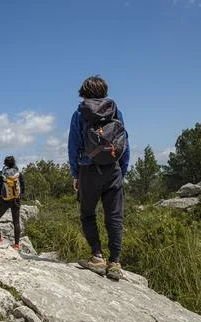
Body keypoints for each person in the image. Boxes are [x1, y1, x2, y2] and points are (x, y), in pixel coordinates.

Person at [67, 75, 130, 281]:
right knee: (114, 217)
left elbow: (73, 146)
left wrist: (76, 174)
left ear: (83, 92)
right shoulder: (115, 111)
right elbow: (124, 143)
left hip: (88, 170)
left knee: (87, 214)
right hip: (113, 170)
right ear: (104, 92)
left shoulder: (79, 113)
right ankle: (115, 262)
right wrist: (122, 171)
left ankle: (97, 256)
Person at [0, 156, 25, 251]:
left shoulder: (2, 174)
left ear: (5, 164)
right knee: (16, 222)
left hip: (5, 200)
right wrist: (19, 195)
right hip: (16, 199)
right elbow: (23, 186)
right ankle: (16, 245)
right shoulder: (18, 173)